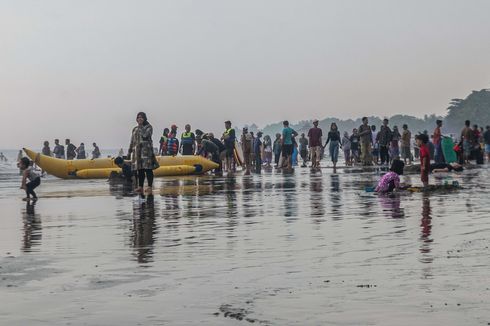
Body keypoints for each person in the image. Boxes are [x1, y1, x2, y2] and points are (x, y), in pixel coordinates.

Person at [128, 112, 160, 194]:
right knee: (140, 170)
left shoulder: (149, 127)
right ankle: (140, 186)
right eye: (138, 117)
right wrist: (129, 152)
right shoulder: (134, 129)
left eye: (141, 117)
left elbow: (145, 135)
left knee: (148, 169)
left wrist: (141, 126)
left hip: (146, 152)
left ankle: (149, 186)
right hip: (137, 152)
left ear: (144, 118)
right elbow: (132, 141)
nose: (139, 118)